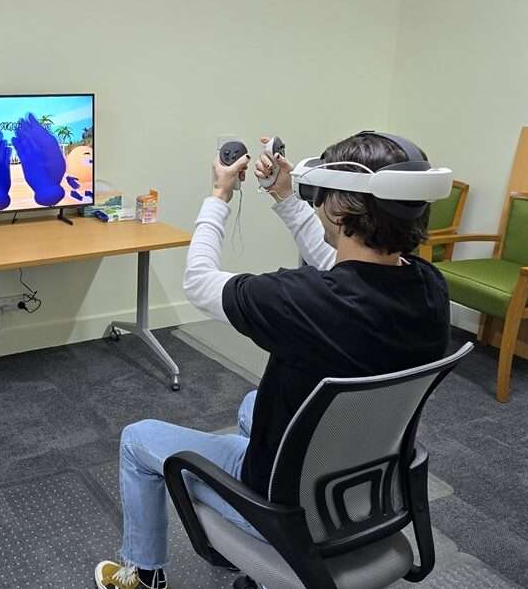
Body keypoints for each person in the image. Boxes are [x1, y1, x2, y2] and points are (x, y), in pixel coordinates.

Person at [94, 133, 450, 589]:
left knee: (137, 439)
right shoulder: (429, 289)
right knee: (251, 403)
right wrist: (285, 196)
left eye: (323, 196)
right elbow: (344, 266)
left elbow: (200, 282)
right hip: (372, 489)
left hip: (283, 506)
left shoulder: (301, 301)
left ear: (339, 210)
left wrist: (219, 194)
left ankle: (141, 576)